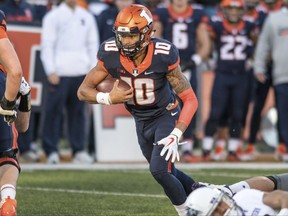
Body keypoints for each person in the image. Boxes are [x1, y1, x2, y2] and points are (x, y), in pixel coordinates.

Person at [78, 4, 199, 216]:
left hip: (165, 114)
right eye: (122, 35)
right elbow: (83, 91)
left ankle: (187, 212)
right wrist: (107, 98)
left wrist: (177, 132)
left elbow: (190, 99)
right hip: (140, 119)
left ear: (146, 33)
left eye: (131, 36)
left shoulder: (163, 54)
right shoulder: (110, 54)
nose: (125, 41)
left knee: (160, 170)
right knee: (167, 170)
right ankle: (203, 191)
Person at [40, 0, 99, 164]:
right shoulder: (53, 17)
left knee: (79, 113)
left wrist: (91, 70)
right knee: (53, 112)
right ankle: (51, 150)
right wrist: (50, 69)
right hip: (59, 72)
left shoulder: (87, 17)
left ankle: (79, 149)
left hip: (81, 72)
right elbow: (47, 45)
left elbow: (93, 45)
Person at [153, 0, 211, 162]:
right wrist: (162, 60)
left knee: (189, 103)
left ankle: (188, 147)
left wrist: (195, 60)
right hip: (168, 65)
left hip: (189, 64)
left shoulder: (197, 13)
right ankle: (165, 142)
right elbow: (155, 37)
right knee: (167, 104)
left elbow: (205, 44)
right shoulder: (163, 12)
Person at [201, 0, 258, 161]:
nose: (233, 13)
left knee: (238, 113)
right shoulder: (216, 25)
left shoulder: (249, 25)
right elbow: (208, 40)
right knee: (216, 112)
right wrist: (210, 56)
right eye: (230, 9)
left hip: (241, 74)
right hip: (223, 73)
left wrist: (253, 59)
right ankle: (206, 149)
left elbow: (256, 42)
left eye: (237, 9)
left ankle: (232, 150)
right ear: (224, 10)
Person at [0, 9, 31, 215]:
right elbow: (23, 126)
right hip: (3, 88)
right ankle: (8, 199)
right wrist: (9, 105)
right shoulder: (11, 75)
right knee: (6, 156)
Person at [254, 0, 288, 162]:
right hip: (283, 74)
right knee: (284, 112)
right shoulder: (274, 19)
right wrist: (259, 66)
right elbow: (264, 44)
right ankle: (285, 146)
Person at [187, 173, 288, 216]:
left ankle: (230, 189)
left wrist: (284, 212)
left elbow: (283, 197)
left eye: (220, 204)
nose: (223, 209)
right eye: (215, 212)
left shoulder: (243, 198)